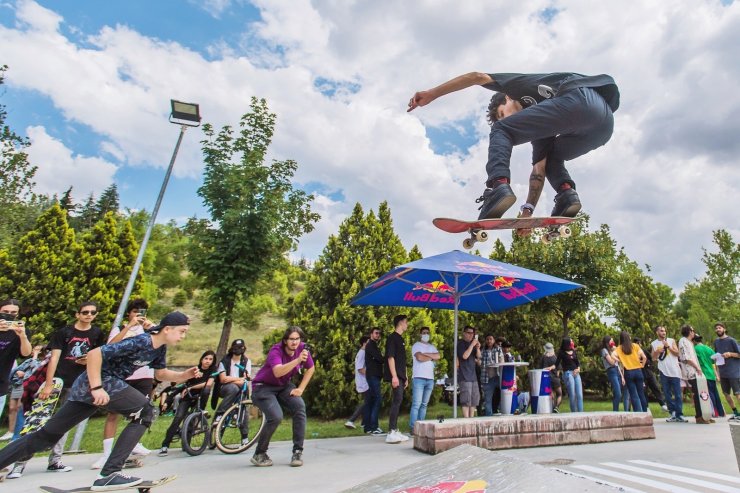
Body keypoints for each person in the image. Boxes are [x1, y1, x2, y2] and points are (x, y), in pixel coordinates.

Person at [0, 311, 201, 490]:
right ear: (167, 329)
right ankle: (109, 474)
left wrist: (183, 376)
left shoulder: (159, 349)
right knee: (146, 411)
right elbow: (95, 354)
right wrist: (96, 387)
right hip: (99, 382)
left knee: (46, 436)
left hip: (93, 388)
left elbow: (161, 373)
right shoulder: (141, 341)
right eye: (182, 331)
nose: (184, 336)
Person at [407, 72, 619, 221]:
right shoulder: (541, 126)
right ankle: (567, 195)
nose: (505, 118)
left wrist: (433, 93)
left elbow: (476, 77)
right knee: (552, 157)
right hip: (602, 125)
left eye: (502, 113)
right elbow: (539, 171)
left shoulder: (516, 86)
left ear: (507, 98)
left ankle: (497, 185)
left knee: (502, 131)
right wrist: (528, 210)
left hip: (579, 97)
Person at [42, 301, 107, 472]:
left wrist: (89, 364)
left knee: (64, 422)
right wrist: (48, 384)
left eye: (93, 312)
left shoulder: (97, 333)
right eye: (85, 312)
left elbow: (97, 357)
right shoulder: (65, 332)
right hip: (59, 380)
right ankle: (20, 461)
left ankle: (55, 460)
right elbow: (54, 358)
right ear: (77, 314)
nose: (89, 315)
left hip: (78, 382)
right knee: (38, 418)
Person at [92, 299, 154, 470]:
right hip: (123, 376)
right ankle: (106, 453)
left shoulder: (148, 330)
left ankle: (133, 444)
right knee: (113, 414)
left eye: (141, 312)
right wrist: (129, 327)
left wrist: (151, 329)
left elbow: (158, 347)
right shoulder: (119, 329)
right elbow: (109, 346)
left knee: (141, 413)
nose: (138, 315)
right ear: (129, 313)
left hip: (144, 375)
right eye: (135, 312)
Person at [250, 326, 314, 467]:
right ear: (285, 340)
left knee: (299, 407)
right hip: (263, 387)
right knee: (276, 416)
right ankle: (259, 453)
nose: (295, 342)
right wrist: (297, 361)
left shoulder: (303, 348)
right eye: (291, 339)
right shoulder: (276, 350)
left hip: (283, 386)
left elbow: (311, 368)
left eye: (297, 339)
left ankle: (297, 452)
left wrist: (301, 388)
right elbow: (278, 372)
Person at [159, 350, 216, 456]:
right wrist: (168, 400)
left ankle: (187, 445)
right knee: (178, 418)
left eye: (210, 359)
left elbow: (208, 384)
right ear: (201, 359)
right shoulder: (195, 370)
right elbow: (178, 385)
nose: (208, 361)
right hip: (187, 397)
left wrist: (191, 387)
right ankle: (165, 445)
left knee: (191, 421)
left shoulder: (213, 371)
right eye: (206, 358)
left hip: (200, 398)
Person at [0, 299, 32, 437]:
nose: (9, 315)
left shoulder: (20, 330)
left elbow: (25, 353)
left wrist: (23, 336)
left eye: (13, 313)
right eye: (5, 312)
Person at [3, 344, 44, 441]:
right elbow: (15, 370)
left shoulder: (42, 362)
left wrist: (35, 357)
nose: (34, 351)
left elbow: (35, 371)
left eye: (37, 350)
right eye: (34, 349)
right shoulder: (28, 360)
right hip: (17, 384)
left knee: (20, 408)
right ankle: (11, 431)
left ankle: (19, 433)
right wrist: (17, 373)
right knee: (12, 407)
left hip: (27, 386)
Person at [651, 325, 687, 422]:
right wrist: (657, 352)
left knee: (678, 394)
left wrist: (668, 347)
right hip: (663, 372)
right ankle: (673, 413)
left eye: (664, 331)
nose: (664, 332)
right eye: (661, 331)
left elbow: (677, 353)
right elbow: (653, 358)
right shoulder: (654, 343)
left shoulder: (671, 341)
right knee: (667, 394)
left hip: (674, 371)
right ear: (657, 332)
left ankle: (679, 414)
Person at [678, 325, 712, 424]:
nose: (694, 332)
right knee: (697, 394)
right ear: (689, 331)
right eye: (693, 330)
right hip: (691, 372)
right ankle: (699, 416)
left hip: (696, 371)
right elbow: (686, 358)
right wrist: (697, 368)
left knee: (702, 393)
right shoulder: (683, 341)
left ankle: (705, 415)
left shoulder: (690, 342)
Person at [409, 326, 440, 434]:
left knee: (424, 405)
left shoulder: (432, 346)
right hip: (419, 378)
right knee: (416, 404)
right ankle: (413, 428)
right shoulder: (416, 345)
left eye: (427, 332)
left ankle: (421, 427)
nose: (426, 334)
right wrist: (431, 357)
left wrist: (426, 355)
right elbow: (419, 358)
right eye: (424, 332)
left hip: (430, 379)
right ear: (420, 334)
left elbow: (438, 356)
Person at [213, 339, 252, 422]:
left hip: (241, 390)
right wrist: (239, 379)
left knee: (243, 417)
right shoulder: (224, 361)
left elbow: (244, 381)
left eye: (241, 347)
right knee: (233, 388)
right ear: (232, 348)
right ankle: (220, 414)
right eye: (236, 347)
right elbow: (223, 380)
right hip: (224, 388)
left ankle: (245, 434)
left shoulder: (247, 361)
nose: (239, 349)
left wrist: (229, 379)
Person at [384, 315, 409, 444]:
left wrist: (406, 376)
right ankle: (391, 431)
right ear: (400, 323)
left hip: (401, 375)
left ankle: (395, 429)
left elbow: (402, 360)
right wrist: (394, 376)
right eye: (406, 322)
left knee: (399, 400)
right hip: (396, 376)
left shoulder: (401, 339)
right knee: (396, 400)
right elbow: (391, 357)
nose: (407, 324)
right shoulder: (392, 338)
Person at [614, 331, 648, 412]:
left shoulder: (619, 348)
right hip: (638, 371)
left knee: (633, 395)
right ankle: (645, 412)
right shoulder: (635, 346)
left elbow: (612, 356)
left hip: (628, 372)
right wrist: (642, 365)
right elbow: (644, 357)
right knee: (641, 393)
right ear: (629, 337)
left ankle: (638, 413)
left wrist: (620, 360)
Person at [692, 334, 724, 418]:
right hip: (711, 373)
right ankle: (721, 412)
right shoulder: (708, 349)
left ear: (694, 341)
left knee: (709, 394)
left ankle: (715, 412)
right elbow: (715, 360)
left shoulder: (694, 349)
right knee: (715, 393)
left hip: (704, 374)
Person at [713, 323, 740, 421]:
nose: (718, 329)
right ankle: (736, 413)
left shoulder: (731, 340)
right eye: (716, 328)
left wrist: (730, 354)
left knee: (738, 394)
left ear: (724, 329)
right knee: (726, 394)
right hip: (723, 373)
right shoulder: (716, 342)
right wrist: (717, 372)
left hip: (734, 372)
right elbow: (717, 356)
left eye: (719, 328)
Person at [633, 336, 667, 412]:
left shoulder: (644, 351)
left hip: (648, 372)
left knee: (655, 387)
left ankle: (663, 404)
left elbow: (651, 358)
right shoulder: (633, 353)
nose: (639, 345)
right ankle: (646, 407)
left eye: (639, 343)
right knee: (644, 391)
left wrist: (648, 363)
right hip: (641, 373)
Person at [549, 337, 582, 412]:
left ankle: (581, 413)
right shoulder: (561, 352)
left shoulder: (573, 351)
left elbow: (577, 362)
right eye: (571, 341)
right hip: (568, 373)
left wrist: (578, 369)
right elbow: (556, 364)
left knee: (579, 395)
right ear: (567, 343)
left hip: (576, 373)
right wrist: (551, 367)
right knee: (572, 395)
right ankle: (574, 413)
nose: (572, 342)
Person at [345, 336, 369, 430]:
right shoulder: (362, 353)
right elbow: (360, 369)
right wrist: (371, 374)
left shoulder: (362, 353)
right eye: (368, 342)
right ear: (364, 343)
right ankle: (351, 420)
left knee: (367, 402)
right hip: (364, 382)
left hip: (363, 381)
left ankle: (364, 423)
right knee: (366, 402)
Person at [363, 327, 384, 435]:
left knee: (371, 401)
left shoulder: (373, 345)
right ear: (371, 334)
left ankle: (368, 427)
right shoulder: (370, 345)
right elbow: (380, 359)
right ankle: (374, 426)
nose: (378, 335)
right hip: (373, 376)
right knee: (377, 399)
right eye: (376, 333)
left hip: (374, 376)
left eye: (379, 333)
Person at [457, 325, 481, 418]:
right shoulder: (461, 344)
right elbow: (464, 356)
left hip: (473, 376)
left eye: (472, 333)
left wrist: (478, 347)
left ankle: (471, 420)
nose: (471, 335)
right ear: (464, 333)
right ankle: (466, 420)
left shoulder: (473, 345)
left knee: (474, 400)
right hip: (464, 377)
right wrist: (472, 344)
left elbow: (479, 356)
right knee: (466, 401)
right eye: (469, 333)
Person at [599, 336, 627, 412]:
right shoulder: (604, 350)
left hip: (617, 371)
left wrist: (622, 377)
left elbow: (618, 364)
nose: (613, 342)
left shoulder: (613, 351)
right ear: (607, 342)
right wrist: (614, 355)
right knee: (618, 393)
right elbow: (611, 362)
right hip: (611, 371)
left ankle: (615, 412)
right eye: (611, 341)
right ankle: (615, 411)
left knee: (617, 393)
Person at [480, 334, 501, 416]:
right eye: (487, 339)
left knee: (505, 395)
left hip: (498, 376)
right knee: (488, 400)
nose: (489, 341)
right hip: (487, 378)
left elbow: (501, 359)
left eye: (491, 339)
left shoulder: (498, 349)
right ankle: (488, 417)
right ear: (486, 341)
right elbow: (480, 361)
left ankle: (503, 414)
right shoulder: (483, 350)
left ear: (494, 340)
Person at [539, 342, 562, 413]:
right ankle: (556, 407)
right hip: (555, 379)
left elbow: (541, 368)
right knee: (559, 394)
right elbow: (559, 370)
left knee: (551, 395)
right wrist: (557, 376)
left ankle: (551, 409)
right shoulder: (555, 357)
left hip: (546, 378)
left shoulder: (543, 357)